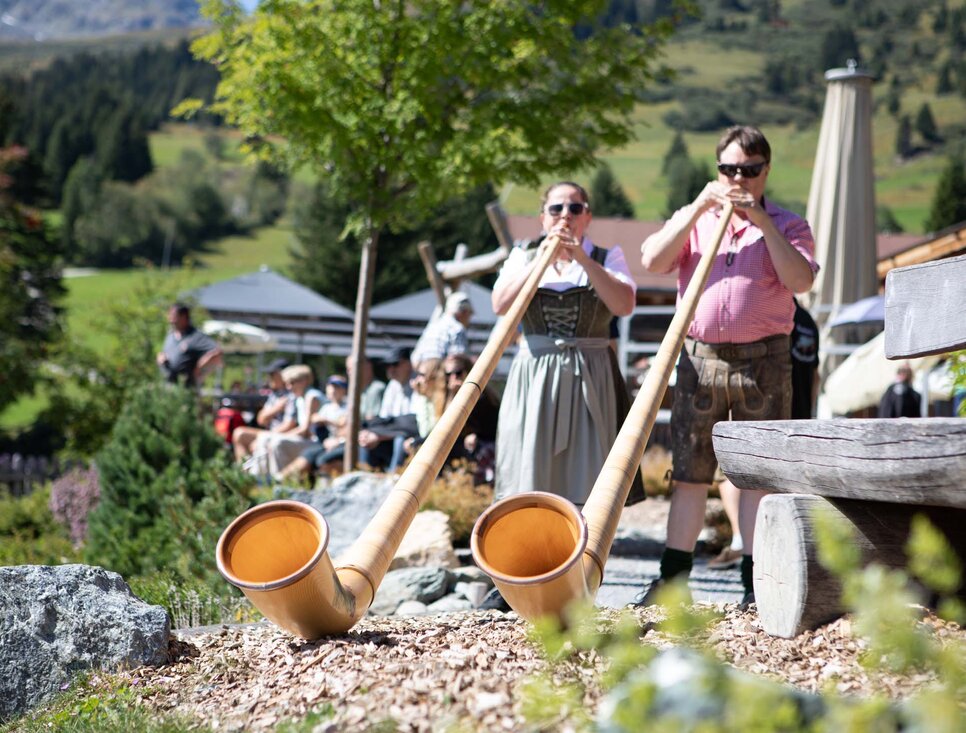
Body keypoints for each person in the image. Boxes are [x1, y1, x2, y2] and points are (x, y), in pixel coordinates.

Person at [638, 125, 818, 606]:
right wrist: (697, 208)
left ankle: (756, 586)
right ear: (717, 170)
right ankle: (673, 581)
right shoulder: (696, 219)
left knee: (756, 478)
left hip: (765, 360)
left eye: (750, 170)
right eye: (729, 169)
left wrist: (762, 223)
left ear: (766, 171)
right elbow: (652, 260)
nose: (739, 178)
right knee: (690, 474)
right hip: (700, 357)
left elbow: (800, 280)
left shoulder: (788, 224)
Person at [491, 181, 643, 506]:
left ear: (587, 217)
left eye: (575, 208)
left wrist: (582, 259)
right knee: (530, 464)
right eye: (556, 208)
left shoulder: (606, 256)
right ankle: (532, 547)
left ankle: (584, 548)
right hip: (535, 376)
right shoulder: (523, 255)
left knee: (590, 468)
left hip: (591, 374)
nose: (565, 215)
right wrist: (542, 261)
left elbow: (624, 305)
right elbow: (500, 305)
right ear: (542, 217)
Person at [708, 298, 820, 571]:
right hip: (798, 412)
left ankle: (743, 540)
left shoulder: (765, 313)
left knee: (732, 476)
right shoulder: (808, 322)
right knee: (779, 485)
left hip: (767, 407)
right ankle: (763, 544)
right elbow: (815, 375)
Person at [251, 364, 323, 479]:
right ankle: (259, 478)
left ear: (304, 381)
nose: (289, 387)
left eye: (292, 383)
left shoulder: (312, 397)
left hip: (317, 442)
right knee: (264, 438)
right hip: (306, 440)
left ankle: (277, 481)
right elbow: (261, 420)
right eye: (287, 383)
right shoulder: (300, 399)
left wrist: (277, 436)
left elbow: (305, 429)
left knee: (276, 442)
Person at [277, 375, 350, 483]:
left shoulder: (348, 407)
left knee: (322, 460)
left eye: (338, 387)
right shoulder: (327, 407)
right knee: (308, 455)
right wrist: (327, 421)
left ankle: (284, 481)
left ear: (344, 390)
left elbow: (344, 425)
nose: (334, 390)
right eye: (331, 386)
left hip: (341, 443)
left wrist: (327, 421)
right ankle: (280, 479)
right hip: (325, 442)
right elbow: (315, 418)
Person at [232, 358, 297, 463]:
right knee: (239, 433)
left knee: (257, 442)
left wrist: (263, 438)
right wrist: (276, 408)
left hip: (284, 435)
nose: (269, 377)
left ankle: (252, 474)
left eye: (272, 374)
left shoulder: (292, 394)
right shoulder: (275, 394)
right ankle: (244, 474)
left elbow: (289, 425)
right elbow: (261, 419)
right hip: (271, 432)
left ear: (283, 375)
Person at [156, 303, 222, 388]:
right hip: (168, 384)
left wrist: (199, 367)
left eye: (173, 315)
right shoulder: (170, 334)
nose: (169, 318)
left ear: (183, 316)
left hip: (186, 387)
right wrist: (161, 357)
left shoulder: (195, 336)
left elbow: (217, 351)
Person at [410, 291, 474, 367]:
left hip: (420, 370)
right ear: (464, 312)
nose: (470, 318)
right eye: (470, 314)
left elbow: (415, 357)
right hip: (438, 371)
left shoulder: (434, 325)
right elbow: (457, 357)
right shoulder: (457, 328)